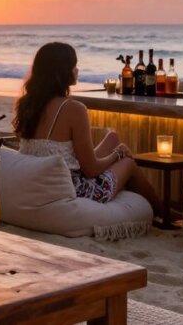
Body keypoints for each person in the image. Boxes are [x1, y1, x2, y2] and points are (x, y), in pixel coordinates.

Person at [15, 42, 162, 217]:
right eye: (74, 66)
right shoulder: (73, 108)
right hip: (72, 188)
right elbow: (91, 170)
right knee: (128, 163)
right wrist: (118, 155)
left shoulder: (26, 105)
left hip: (38, 180)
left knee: (113, 137)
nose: (77, 70)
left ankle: (154, 211)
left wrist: (114, 151)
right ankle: (164, 215)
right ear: (63, 71)